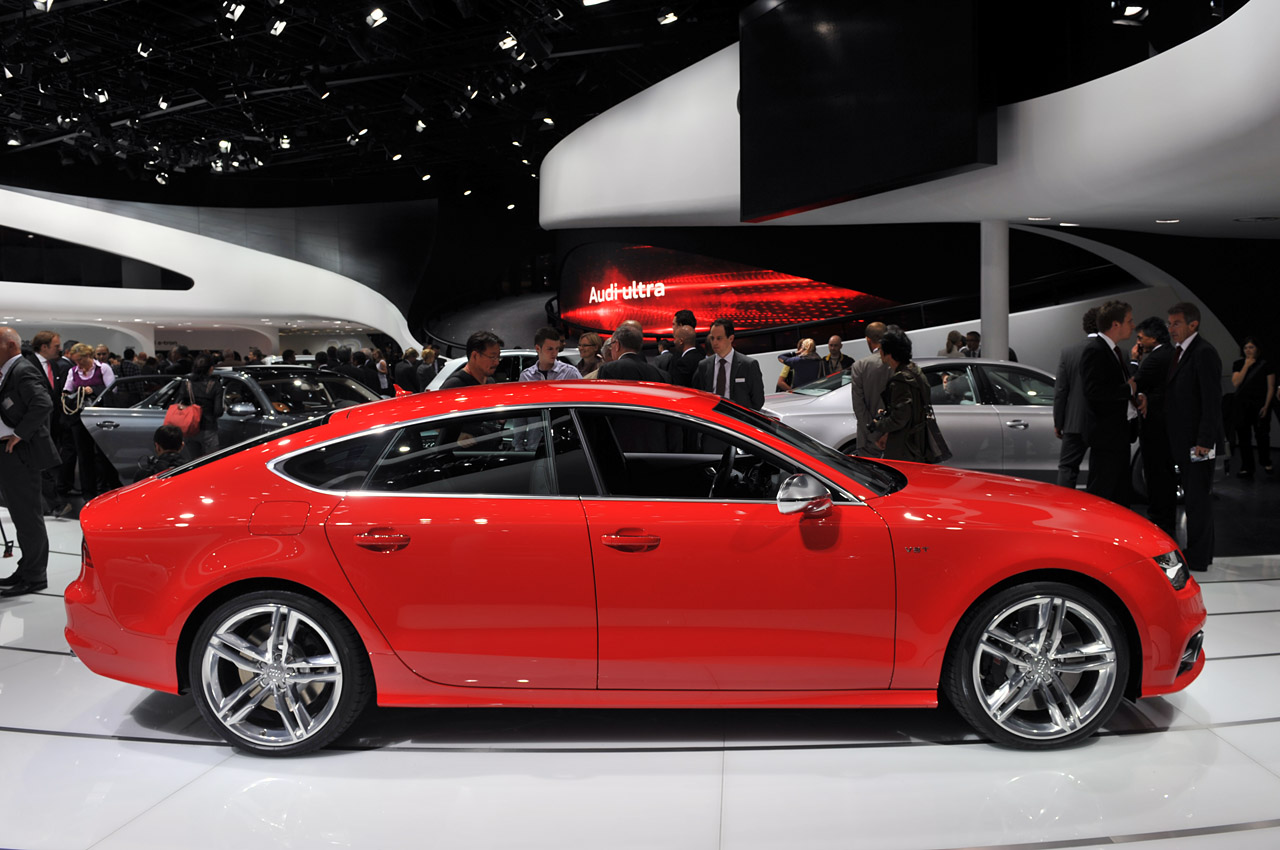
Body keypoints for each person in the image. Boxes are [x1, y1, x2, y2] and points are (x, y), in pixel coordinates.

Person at [0, 327, 61, 598]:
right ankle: (26, 569)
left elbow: (43, 403)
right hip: (11, 453)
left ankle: (35, 576)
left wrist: (19, 434)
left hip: (21, 453)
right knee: (21, 515)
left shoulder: (22, 370)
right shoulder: (11, 370)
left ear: (10, 345)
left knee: (27, 516)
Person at [1166, 301, 1223, 572]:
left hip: (1198, 443)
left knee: (1198, 499)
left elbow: (1211, 401)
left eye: (1176, 323)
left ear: (1193, 324)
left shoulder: (1203, 352)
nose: (1171, 328)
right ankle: (1200, 553)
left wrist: (1204, 441)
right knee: (1193, 497)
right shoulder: (1181, 352)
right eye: (1169, 323)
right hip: (1186, 440)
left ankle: (1199, 556)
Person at [1081, 299, 1137, 507]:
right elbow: (1094, 392)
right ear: (1115, 324)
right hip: (1107, 435)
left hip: (1117, 433)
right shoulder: (1096, 350)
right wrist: (1128, 389)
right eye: (1129, 321)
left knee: (1118, 494)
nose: (1133, 325)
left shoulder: (1112, 350)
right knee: (1103, 495)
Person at [1131, 316, 1176, 537]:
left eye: (1141, 338)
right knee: (1165, 473)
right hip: (1167, 424)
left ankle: (1159, 520)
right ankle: (1166, 518)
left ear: (1153, 338)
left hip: (1155, 425)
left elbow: (1134, 382)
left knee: (1156, 473)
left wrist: (1134, 360)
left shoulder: (1155, 358)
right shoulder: (1171, 354)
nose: (1138, 342)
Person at [63, 342, 118, 499]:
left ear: (88, 356)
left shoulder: (103, 368)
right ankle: (88, 493)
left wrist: (94, 390)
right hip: (80, 418)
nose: (78, 364)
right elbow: (67, 391)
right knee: (84, 456)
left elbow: (112, 390)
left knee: (104, 454)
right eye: (75, 360)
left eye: (80, 360)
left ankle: (109, 488)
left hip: (101, 418)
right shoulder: (73, 371)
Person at [1054, 307, 1100, 489]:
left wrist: (1059, 422)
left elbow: (1061, 391)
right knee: (1100, 470)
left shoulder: (1069, 352)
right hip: (1102, 422)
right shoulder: (1119, 352)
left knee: (1067, 467)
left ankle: (1064, 503)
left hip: (1075, 421)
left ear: (1085, 326)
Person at [30, 331, 73, 518]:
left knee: (42, 464)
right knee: (42, 463)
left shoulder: (54, 365)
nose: (60, 349)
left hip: (53, 423)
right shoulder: (28, 365)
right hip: (36, 424)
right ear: (44, 347)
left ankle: (47, 503)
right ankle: (53, 503)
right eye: (56, 346)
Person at [873, 326, 930, 462]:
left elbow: (900, 419)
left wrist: (878, 424)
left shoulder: (901, 381)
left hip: (906, 448)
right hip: (918, 442)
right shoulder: (915, 372)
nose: (879, 352)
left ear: (888, 353)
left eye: (881, 348)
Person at [693, 318, 764, 409]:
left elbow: (758, 400)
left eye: (719, 338)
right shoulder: (704, 365)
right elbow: (701, 396)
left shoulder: (748, 365)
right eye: (712, 338)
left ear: (731, 338)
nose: (714, 342)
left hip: (738, 416)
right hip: (712, 415)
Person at [1230, 337, 1274, 476]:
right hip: (1242, 404)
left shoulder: (1265, 364)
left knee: (1262, 435)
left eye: (1251, 347)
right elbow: (1236, 383)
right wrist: (1246, 366)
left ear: (1257, 349)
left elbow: (1270, 387)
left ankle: (1266, 461)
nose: (1248, 350)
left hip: (1260, 403)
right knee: (1244, 437)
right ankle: (1247, 466)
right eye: (1246, 348)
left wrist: (1266, 405)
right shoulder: (1238, 364)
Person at [849, 322, 892, 456]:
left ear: (868, 339)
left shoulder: (860, 366)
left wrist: (874, 436)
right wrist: (889, 434)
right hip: (897, 437)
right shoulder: (899, 363)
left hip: (869, 442)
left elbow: (859, 406)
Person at [185, 355, 223, 459]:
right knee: (211, 462)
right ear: (210, 369)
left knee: (194, 462)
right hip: (208, 428)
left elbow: (180, 403)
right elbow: (218, 411)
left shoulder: (187, 384)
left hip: (190, 428)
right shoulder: (215, 385)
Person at [598, 324, 666, 381]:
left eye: (611, 344)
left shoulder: (608, 369)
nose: (611, 349)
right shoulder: (659, 373)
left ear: (617, 345)